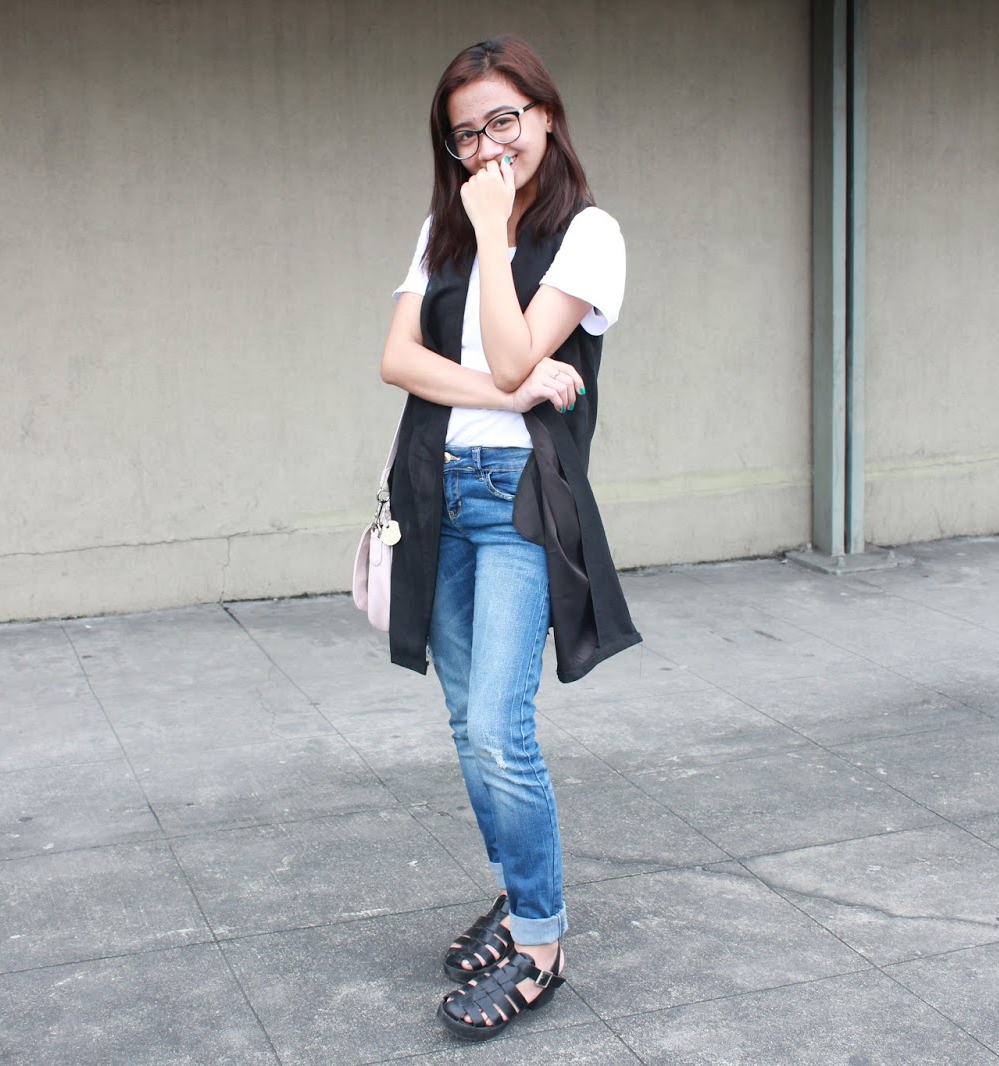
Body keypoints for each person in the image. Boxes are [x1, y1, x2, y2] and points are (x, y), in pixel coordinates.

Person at [378, 34, 641, 1041]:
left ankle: (540, 943)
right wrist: (509, 387)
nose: (487, 147)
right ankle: (515, 888)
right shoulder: (437, 231)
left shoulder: (589, 234)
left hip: (520, 498)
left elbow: (514, 346)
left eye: (503, 121)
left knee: (499, 726)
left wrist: (494, 234)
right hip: (437, 488)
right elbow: (399, 361)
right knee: (463, 721)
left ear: (545, 116)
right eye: (465, 134)